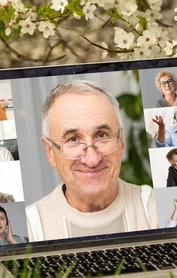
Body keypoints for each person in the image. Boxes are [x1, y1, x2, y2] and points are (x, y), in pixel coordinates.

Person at [25, 80, 158, 241]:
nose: (92, 160)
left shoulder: (156, 208)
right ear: (50, 152)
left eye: (102, 135)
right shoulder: (30, 227)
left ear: (120, 142)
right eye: (73, 139)